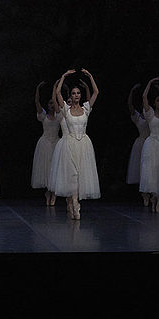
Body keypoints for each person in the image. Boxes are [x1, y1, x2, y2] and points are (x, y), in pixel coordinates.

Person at [54, 69, 100, 220]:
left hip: (84, 145)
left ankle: (76, 201)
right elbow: (58, 94)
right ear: (71, 96)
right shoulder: (66, 110)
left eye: (78, 93)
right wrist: (63, 77)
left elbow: (96, 92)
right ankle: (74, 202)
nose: (76, 96)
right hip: (70, 143)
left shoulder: (86, 109)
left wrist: (90, 76)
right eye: (73, 93)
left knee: (81, 175)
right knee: (72, 175)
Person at [138, 77, 159, 213]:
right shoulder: (150, 114)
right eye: (157, 101)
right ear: (154, 102)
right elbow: (144, 97)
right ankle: (154, 196)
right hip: (151, 144)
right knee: (152, 171)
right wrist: (150, 83)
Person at [31, 81, 61, 206]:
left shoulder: (60, 116)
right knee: (46, 168)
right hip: (45, 143)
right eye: (50, 104)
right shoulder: (44, 116)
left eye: (53, 103)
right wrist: (38, 88)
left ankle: (53, 192)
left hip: (56, 143)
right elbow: (37, 102)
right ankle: (48, 192)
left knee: (55, 168)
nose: (52, 105)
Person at [126, 84, 150, 205]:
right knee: (140, 167)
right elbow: (130, 105)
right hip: (141, 142)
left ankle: (150, 192)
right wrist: (132, 91)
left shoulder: (151, 116)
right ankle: (143, 193)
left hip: (151, 142)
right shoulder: (138, 118)